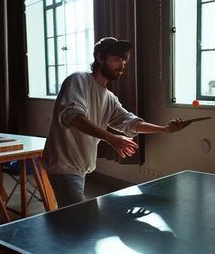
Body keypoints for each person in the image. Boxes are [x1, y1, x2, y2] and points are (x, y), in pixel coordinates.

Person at [43, 37, 188, 208]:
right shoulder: (78, 80)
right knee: (77, 220)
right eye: (117, 59)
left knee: (70, 220)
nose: (122, 65)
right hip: (63, 165)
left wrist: (165, 129)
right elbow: (73, 117)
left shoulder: (109, 98)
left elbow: (130, 122)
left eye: (125, 60)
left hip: (79, 166)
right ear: (99, 57)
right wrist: (111, 138)